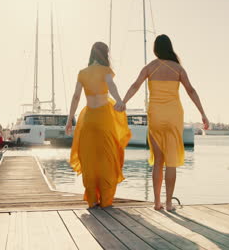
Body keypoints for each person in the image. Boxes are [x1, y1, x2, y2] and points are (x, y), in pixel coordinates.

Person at [120, 34, 209, 211]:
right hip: (174, 115)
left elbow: (135, 85)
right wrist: (203, 114)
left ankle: (157, 203)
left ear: (155, 49)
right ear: (170, 48)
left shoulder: (150, 68)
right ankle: (168, 204)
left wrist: (124, 101)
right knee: (171, 161)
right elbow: (191, 91)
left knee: (158, 160)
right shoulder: (178, 69)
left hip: (156, 116)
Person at [65, 42, 131, 208]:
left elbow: (75, 97)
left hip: (88, 120)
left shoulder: (82, 73)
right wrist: (119, 100)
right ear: (105, 54)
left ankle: (92, 200)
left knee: (89, 160)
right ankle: (105, 200)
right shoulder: (105, 71)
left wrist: (69, 120)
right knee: (107, 159)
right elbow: (112, 86)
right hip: (104, 119)